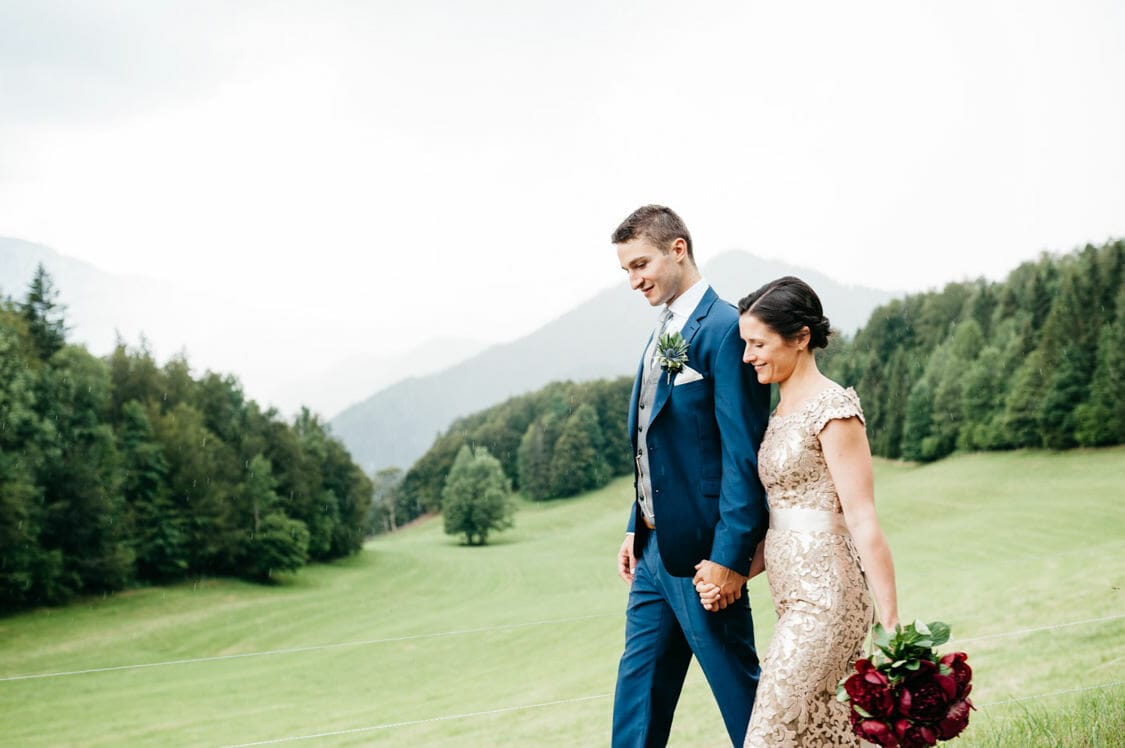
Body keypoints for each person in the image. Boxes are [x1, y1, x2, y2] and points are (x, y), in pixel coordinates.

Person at [698, 276, 900, 747]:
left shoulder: (834, 410)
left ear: (801, 337)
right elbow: (786, 519)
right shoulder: (777, 416)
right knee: (822, 737)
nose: (747, 356)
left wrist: (892, 626)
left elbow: (862, 519)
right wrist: (732, 574)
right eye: (746, 344)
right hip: (790, 600)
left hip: (829, 600)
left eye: (758, 344)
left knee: (768, 736)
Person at [610, 205, 771, 747]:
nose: (634, 281)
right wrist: (636, 524)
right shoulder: (661, 330)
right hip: (652, 555)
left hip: (705, 559)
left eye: (640, 265)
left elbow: (742, 458)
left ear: (678, 249)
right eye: (627, 270)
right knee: (636, 708)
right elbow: (656, 443)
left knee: (744, 707)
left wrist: (729, 559)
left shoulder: (726, 329)